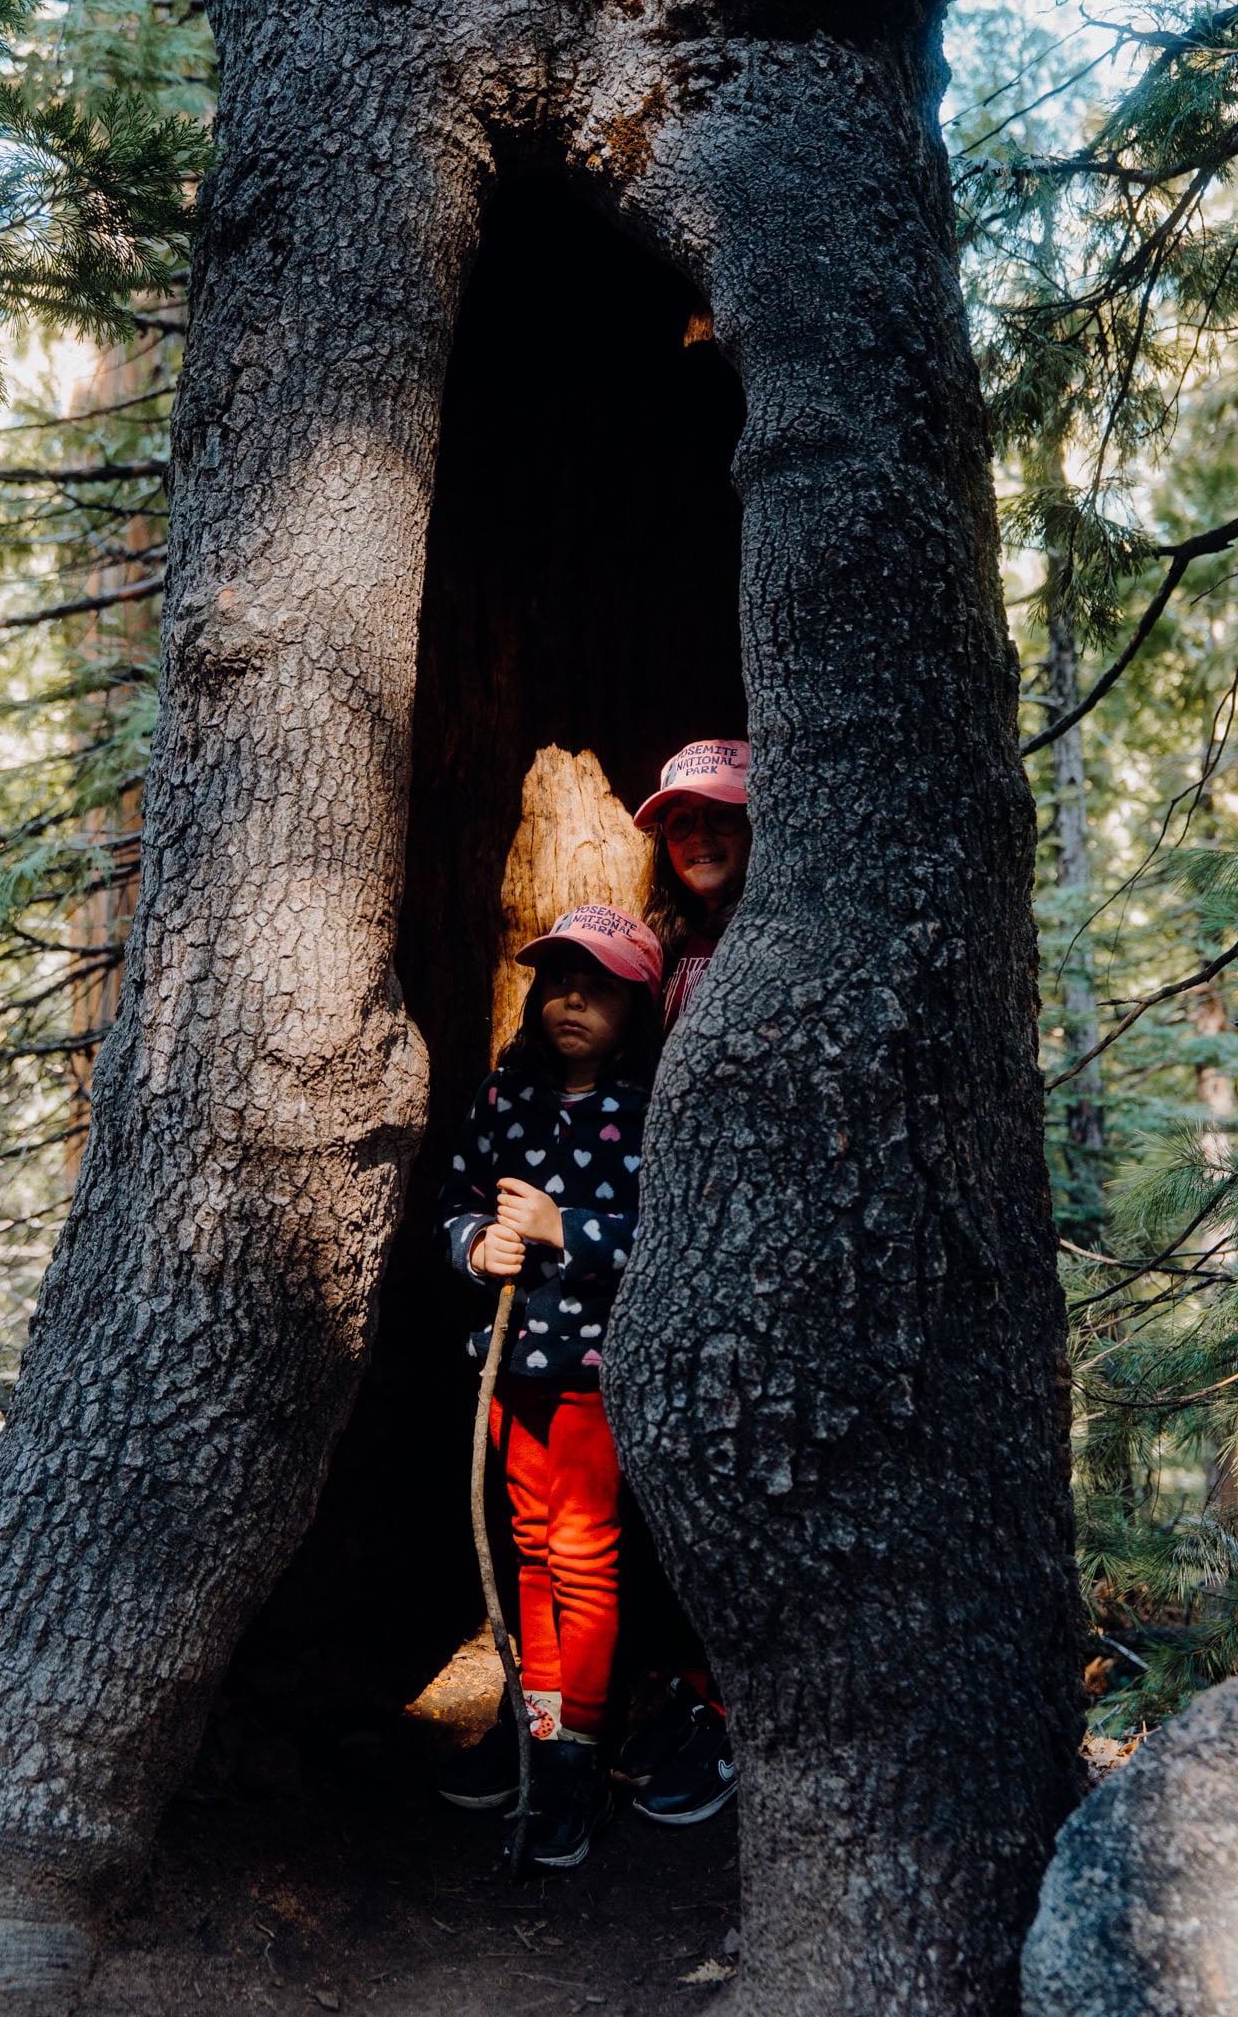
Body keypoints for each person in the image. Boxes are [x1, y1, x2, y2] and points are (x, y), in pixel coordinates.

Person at [436, 904, 663, 1869]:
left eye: (598, 987)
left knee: (582, 1555)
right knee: (531, 1546)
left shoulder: (651, 1105)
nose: (572, 1001)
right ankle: (532, 1725)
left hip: (592, 1372)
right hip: (506, 1363)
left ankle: (576, 1749)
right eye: (558, 983)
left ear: (636, 1007)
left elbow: (677, 1229)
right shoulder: (506, 1098)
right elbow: (456, 1199)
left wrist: (566, 1230)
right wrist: (475, 1247)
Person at [615, 737, 752, 1828]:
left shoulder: (774, 939)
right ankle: (681, 1692)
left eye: (720, 815)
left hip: (756, 1254)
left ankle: (730, 1713)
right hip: (667, 1245)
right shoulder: (666, 949)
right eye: (680, 821)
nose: (698, 835)